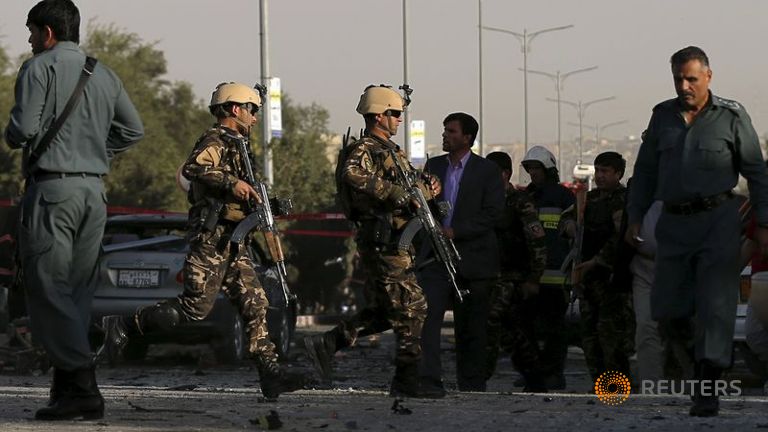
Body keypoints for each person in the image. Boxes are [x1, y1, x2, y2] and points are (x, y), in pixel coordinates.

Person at [101, 82, 306, 401]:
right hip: (212, 239)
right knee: (194, 308)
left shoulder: (239, 145)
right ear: (235, 109)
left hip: (235, 240)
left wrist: (267, 204)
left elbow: (242, 193)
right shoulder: (216, 139)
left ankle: (270, 374)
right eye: (251, 110)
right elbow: (196, 168)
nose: (254, 117)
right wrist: (232, 182)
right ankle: (125, 324)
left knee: (255, 303)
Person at [3, 0, 144, 421]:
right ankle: (66, 391)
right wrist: (93, 153)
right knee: (77, 293)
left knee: (47, 288)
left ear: (47, 33)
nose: (29, 41)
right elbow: (133, 130)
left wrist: (13, 135)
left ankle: (83, 385)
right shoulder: (104, 73)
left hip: (53, 192)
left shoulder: (39, 67)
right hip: (92, 194)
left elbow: (23, 130)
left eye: (31, 32)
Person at [627, 46, 768, 417]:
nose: (684, 86)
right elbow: (644, 172)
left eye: (691, 78)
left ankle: (707, 385)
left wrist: (764, 223)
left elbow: (756, 172)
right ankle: (699, 365)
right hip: (674, 224)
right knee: (668, 310)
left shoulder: (731, 116)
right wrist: (634, 215)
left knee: (715, 306)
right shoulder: (663, 117)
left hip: (718, 220)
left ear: (708, 76)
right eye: (678, 79)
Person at [303, 85, 440, 397]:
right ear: (379, 116)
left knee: (384, 311)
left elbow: (410, 188)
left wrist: (429, 186)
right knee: (411, 306)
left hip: (399, 240)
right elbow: (352, 173)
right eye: (394, 114)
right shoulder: (366, 148)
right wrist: (394, 193)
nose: (399, 120)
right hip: (384, 241)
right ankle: (407, 381)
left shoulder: (391, 150)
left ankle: (329, 342)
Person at [417, 112, 505, 394]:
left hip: (474, 260)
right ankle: (430, 380)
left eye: (452, 131)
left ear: (467, 137)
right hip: (436, 259)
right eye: (445, 130)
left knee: (472, 327)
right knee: (428, 319)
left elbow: (493, 214)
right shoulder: (434, 166)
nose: (445, 135)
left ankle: (471, 383)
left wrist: (457, 231)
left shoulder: (487, 171)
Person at [561, 152, 634, 382]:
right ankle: (600, 384)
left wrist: (595, 262)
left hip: (612, 280)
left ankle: (617, 387)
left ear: (618, 174)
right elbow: (566, 220)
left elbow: (620, 238)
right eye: (598, 170)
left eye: (606, 171)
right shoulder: (588, 199)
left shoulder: (624, 200)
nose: (600, 176)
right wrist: (570, 225)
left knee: (612, 337)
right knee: (590, 338)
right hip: (587, 280)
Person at [483, 151, 548, 392]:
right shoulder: (484, 202)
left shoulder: (520, 202)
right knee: (513, 332)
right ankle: (533, 376)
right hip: (489, 275)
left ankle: (479, 376)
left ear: (505, 174)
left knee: (491, 322)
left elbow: (537, 241)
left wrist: (534, 278)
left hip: (513, 277)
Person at [520, 145, 574, 389]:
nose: (533, 173)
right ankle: (533, 372)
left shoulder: (564, 197)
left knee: (555, 330)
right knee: (527, 327)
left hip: (555, 275)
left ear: (548, 169)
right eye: (529, 169)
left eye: (536, 168)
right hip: (530, 275)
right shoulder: (525, 197)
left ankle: (554, 372)